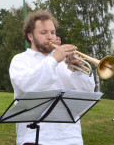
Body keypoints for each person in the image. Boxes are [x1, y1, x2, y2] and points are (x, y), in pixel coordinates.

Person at [9, 10, 95, 145]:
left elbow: (87, 92)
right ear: (30, 36)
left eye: (53, 32)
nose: (51, 37)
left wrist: (79, 71)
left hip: (71, 137)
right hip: (35, 137)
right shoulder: (20, 60)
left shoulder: (64, 61)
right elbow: (27, 86)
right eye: (44, 33)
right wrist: (54, 60)